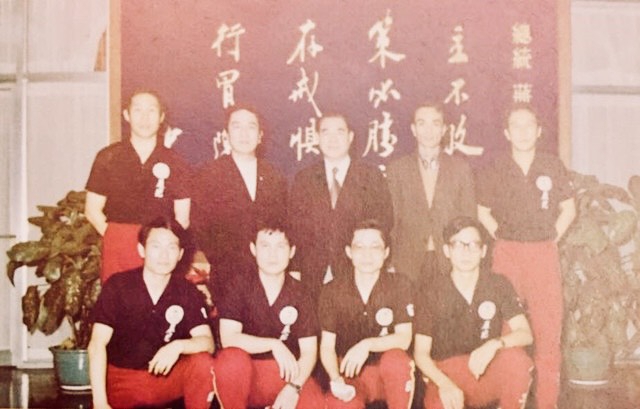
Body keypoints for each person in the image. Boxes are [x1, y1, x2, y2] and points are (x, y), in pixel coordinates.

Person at [476, 105, 576, 409]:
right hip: (507, 254)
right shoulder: (496, 167)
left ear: (539, 130)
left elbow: (569, 209)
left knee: (548, 332)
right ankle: (511, 402)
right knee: (508, 331)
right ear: (506, 132)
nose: (522, 132)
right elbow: (482, 211)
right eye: (515, 126)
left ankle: (547, 404)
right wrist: (502, 237)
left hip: (543, 254)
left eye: (528, 125)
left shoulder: (551, 165)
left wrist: (550, 238)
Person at [88, 217, 215, 409]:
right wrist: (100, 403)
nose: (164, 255)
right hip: (124, 382)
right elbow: (97, 344)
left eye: (171, 247)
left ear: (180, 254)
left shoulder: (186, 290)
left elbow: (208, 343)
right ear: (142, 250)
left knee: (202, 361)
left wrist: (177, 346)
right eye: (156, 246)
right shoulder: (118, 285)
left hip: (165, 379)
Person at [414, 216, 534, 409]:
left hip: (487, 367)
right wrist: (445, 384)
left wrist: (494, 344)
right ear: (446, 250)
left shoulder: (498, 284)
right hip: (447, 374)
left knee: (518, 361)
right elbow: (420, 353)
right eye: (458, 244)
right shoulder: (431, 291)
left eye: (473, 245)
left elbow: (525, 333)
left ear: (483, 251)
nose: (466, 252)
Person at [213, 221, 324, 409]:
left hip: (286, 374)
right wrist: (273, 344)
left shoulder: (302, 293)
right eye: (265, 246)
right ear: (253, 249)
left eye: (280, 246)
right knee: (230, 360)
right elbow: (229, 338)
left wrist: (293, 387)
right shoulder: (237, 285)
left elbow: (309, 352)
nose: (273, 255)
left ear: (292, 252)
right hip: (246, 375)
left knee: (315, 403)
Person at [85, 90, 191, 283]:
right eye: (138, 110)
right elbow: (92, 210)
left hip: (160, 248)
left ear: (161, 117)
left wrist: (163, 244)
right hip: (119, 244)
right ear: (127, 115)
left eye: (151, 111)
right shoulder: (108, 157)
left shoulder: (176, 162)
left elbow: (182, 217)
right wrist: (116, 237)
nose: (145, 118)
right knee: (118, 298)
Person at [288, 113, 393, 297]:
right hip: (312, 275)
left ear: (350, 137)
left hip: (359, 272)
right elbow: (295, 229)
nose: (333, 139)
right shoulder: (304, 178)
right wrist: (295, 269)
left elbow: (384, 222)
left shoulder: (371, 176)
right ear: (317, 138)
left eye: (339, 131)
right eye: (326, 132)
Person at [191, 105, 287, 300]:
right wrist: (221, 260)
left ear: (260, 135)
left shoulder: (275, 176)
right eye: (236, 126)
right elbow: (199, 226)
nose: (244, 134)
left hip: (270, 275)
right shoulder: (208, 174)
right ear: (226, 134)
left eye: (251, 127)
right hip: (227, 275)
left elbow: (283, 223)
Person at [319, 219, 414, 409]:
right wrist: (336, 379)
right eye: (360, 247)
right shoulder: (332, 290)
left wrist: (367, 345)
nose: (367, 255)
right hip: (350, 374)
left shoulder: (400, 284)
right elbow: (327, 346)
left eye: (375, 247)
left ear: (386, 252)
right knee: (339, 404)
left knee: (397, 360)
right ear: (349, 252)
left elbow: (404, 339)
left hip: (388, 375)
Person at [386, 102, 475, 285]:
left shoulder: (460, 168)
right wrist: (391, 262)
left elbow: (469, 218)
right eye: (422, 123)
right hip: (407, 262)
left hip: (449, 261)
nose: (429, 130)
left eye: (435, 123)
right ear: (413, 129)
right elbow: (391, 220)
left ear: (444, 129)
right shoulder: (397, 169)